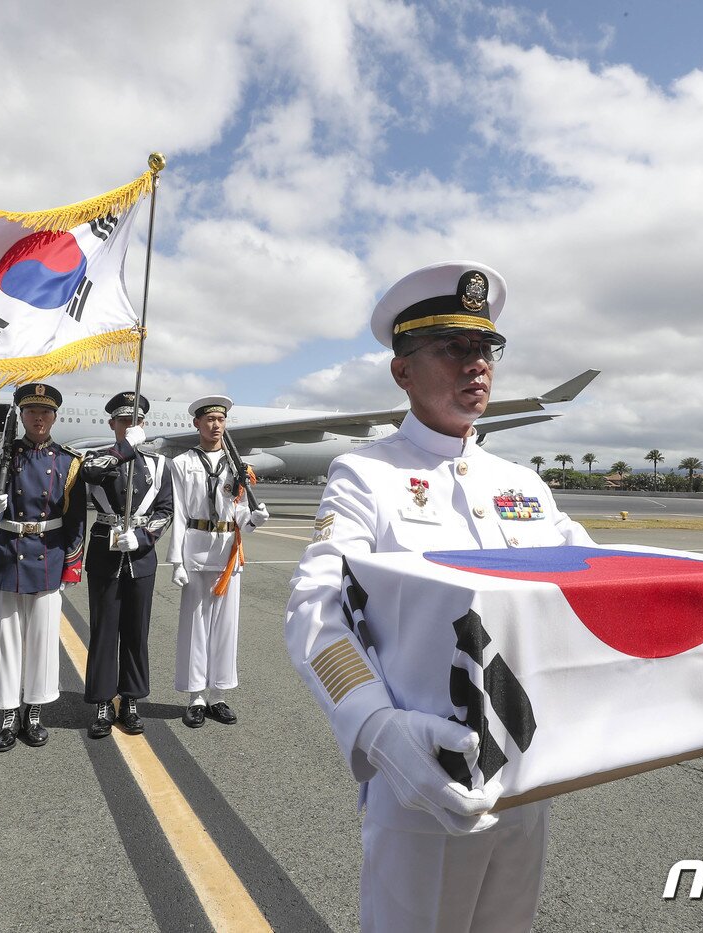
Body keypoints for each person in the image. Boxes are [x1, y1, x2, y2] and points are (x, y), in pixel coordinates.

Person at [284, 261, 597, 932]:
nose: (475, 364)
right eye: (453, 348)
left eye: (484, 348)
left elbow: (597, 588)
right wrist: (378, 729)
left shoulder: (525, 486)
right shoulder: (365, 475)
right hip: (421, 774)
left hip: (529, 775)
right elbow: (316, 615)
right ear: (402, 371)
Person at [0, 383, 86, 752]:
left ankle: (34, 711)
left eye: (45, 413)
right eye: (31, 412)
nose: (38, 418)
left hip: (48, 555)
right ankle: (8, 714)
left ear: (55, 417)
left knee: (42, 639)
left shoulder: (70, 461)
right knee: (6, 640)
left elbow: (75, 519)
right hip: (9, 552)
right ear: (21, 416)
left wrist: (72, 565)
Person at [166, 396, 269, 727]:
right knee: (195, 626)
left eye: (220, 420)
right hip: (195, 549)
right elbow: (179, 514)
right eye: (209, 419)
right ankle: (196, 695)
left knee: (225, 627)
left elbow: (236, 508)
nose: (215, 425)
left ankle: (219, 694)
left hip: (226, 552)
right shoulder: (181, 463)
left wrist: (253, 519)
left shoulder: (235, 465)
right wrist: (176, 561)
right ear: (197, 424)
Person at [80, 391, 174, 739]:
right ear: (113, 425)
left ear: (143, 424)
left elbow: (166, 510)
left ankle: (131, 699)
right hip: (106, 554)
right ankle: (103, 701)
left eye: (136, 421)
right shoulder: (99, 458)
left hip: (141, 557)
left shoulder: (160, 464)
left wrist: (145, 537)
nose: (130, 425)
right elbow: (91, 473)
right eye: (123, 421)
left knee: (136, 631)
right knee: (104, 630)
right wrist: (124, 449)